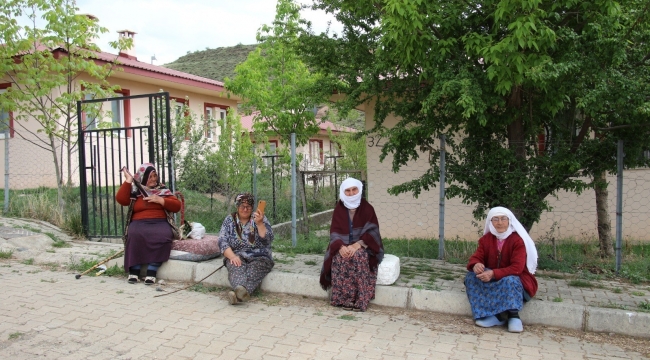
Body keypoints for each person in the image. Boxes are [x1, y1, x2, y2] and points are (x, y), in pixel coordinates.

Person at [465, 206, 539, 333]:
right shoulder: (486, 240)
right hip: (493, 277)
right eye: (495, 219)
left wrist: (494, 273)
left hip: (517, 279)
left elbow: (517, 268)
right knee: (471, 277)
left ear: (509, 221)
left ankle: (513, 316)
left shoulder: (517, 240)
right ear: (490, 222)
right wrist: (476, 264)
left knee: (510, 280)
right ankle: (491, 316)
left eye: (503, 219)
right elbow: (477, 256)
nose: (500, 223)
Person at [319, 178, 384, 312]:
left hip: (364, 246)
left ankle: (361, 300)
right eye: (347, 191)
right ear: (343, 193)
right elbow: (334, 232)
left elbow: (373, 232)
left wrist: (357, 245)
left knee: (358, 257)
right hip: (343, 245)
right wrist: (341, 247)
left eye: (354, 189)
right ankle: (342, 299)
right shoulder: (339, 209)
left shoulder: (367, 208)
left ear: (359, 190)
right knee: (338, 258)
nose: (351, 193)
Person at [116, 163, 181, 285]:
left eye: (155, 176)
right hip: (139, 222)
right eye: (150, 176)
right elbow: (121, 200)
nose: (154, 179)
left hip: (160, 222)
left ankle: (152, 270)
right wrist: (129, 180)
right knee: (135, 234)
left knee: (163, 235)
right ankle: (134, 270)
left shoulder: (162, 190)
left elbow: (177, 206)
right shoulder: (135, 190)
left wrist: (160, 200)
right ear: (143, 177)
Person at [218, 193, 274, 305]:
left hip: (259, 256)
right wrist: (232, 256)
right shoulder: (229, 220)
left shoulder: (259, 219)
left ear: (252, 207)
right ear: (237, 206)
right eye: (242, 206)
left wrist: (260, 224)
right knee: (235, 266)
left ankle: (238, 294)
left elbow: (268, 239)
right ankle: (241, 294)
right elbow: (222, 241)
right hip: (237, 255)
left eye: (248, 206)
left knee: (253, 271)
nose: (245, 209)